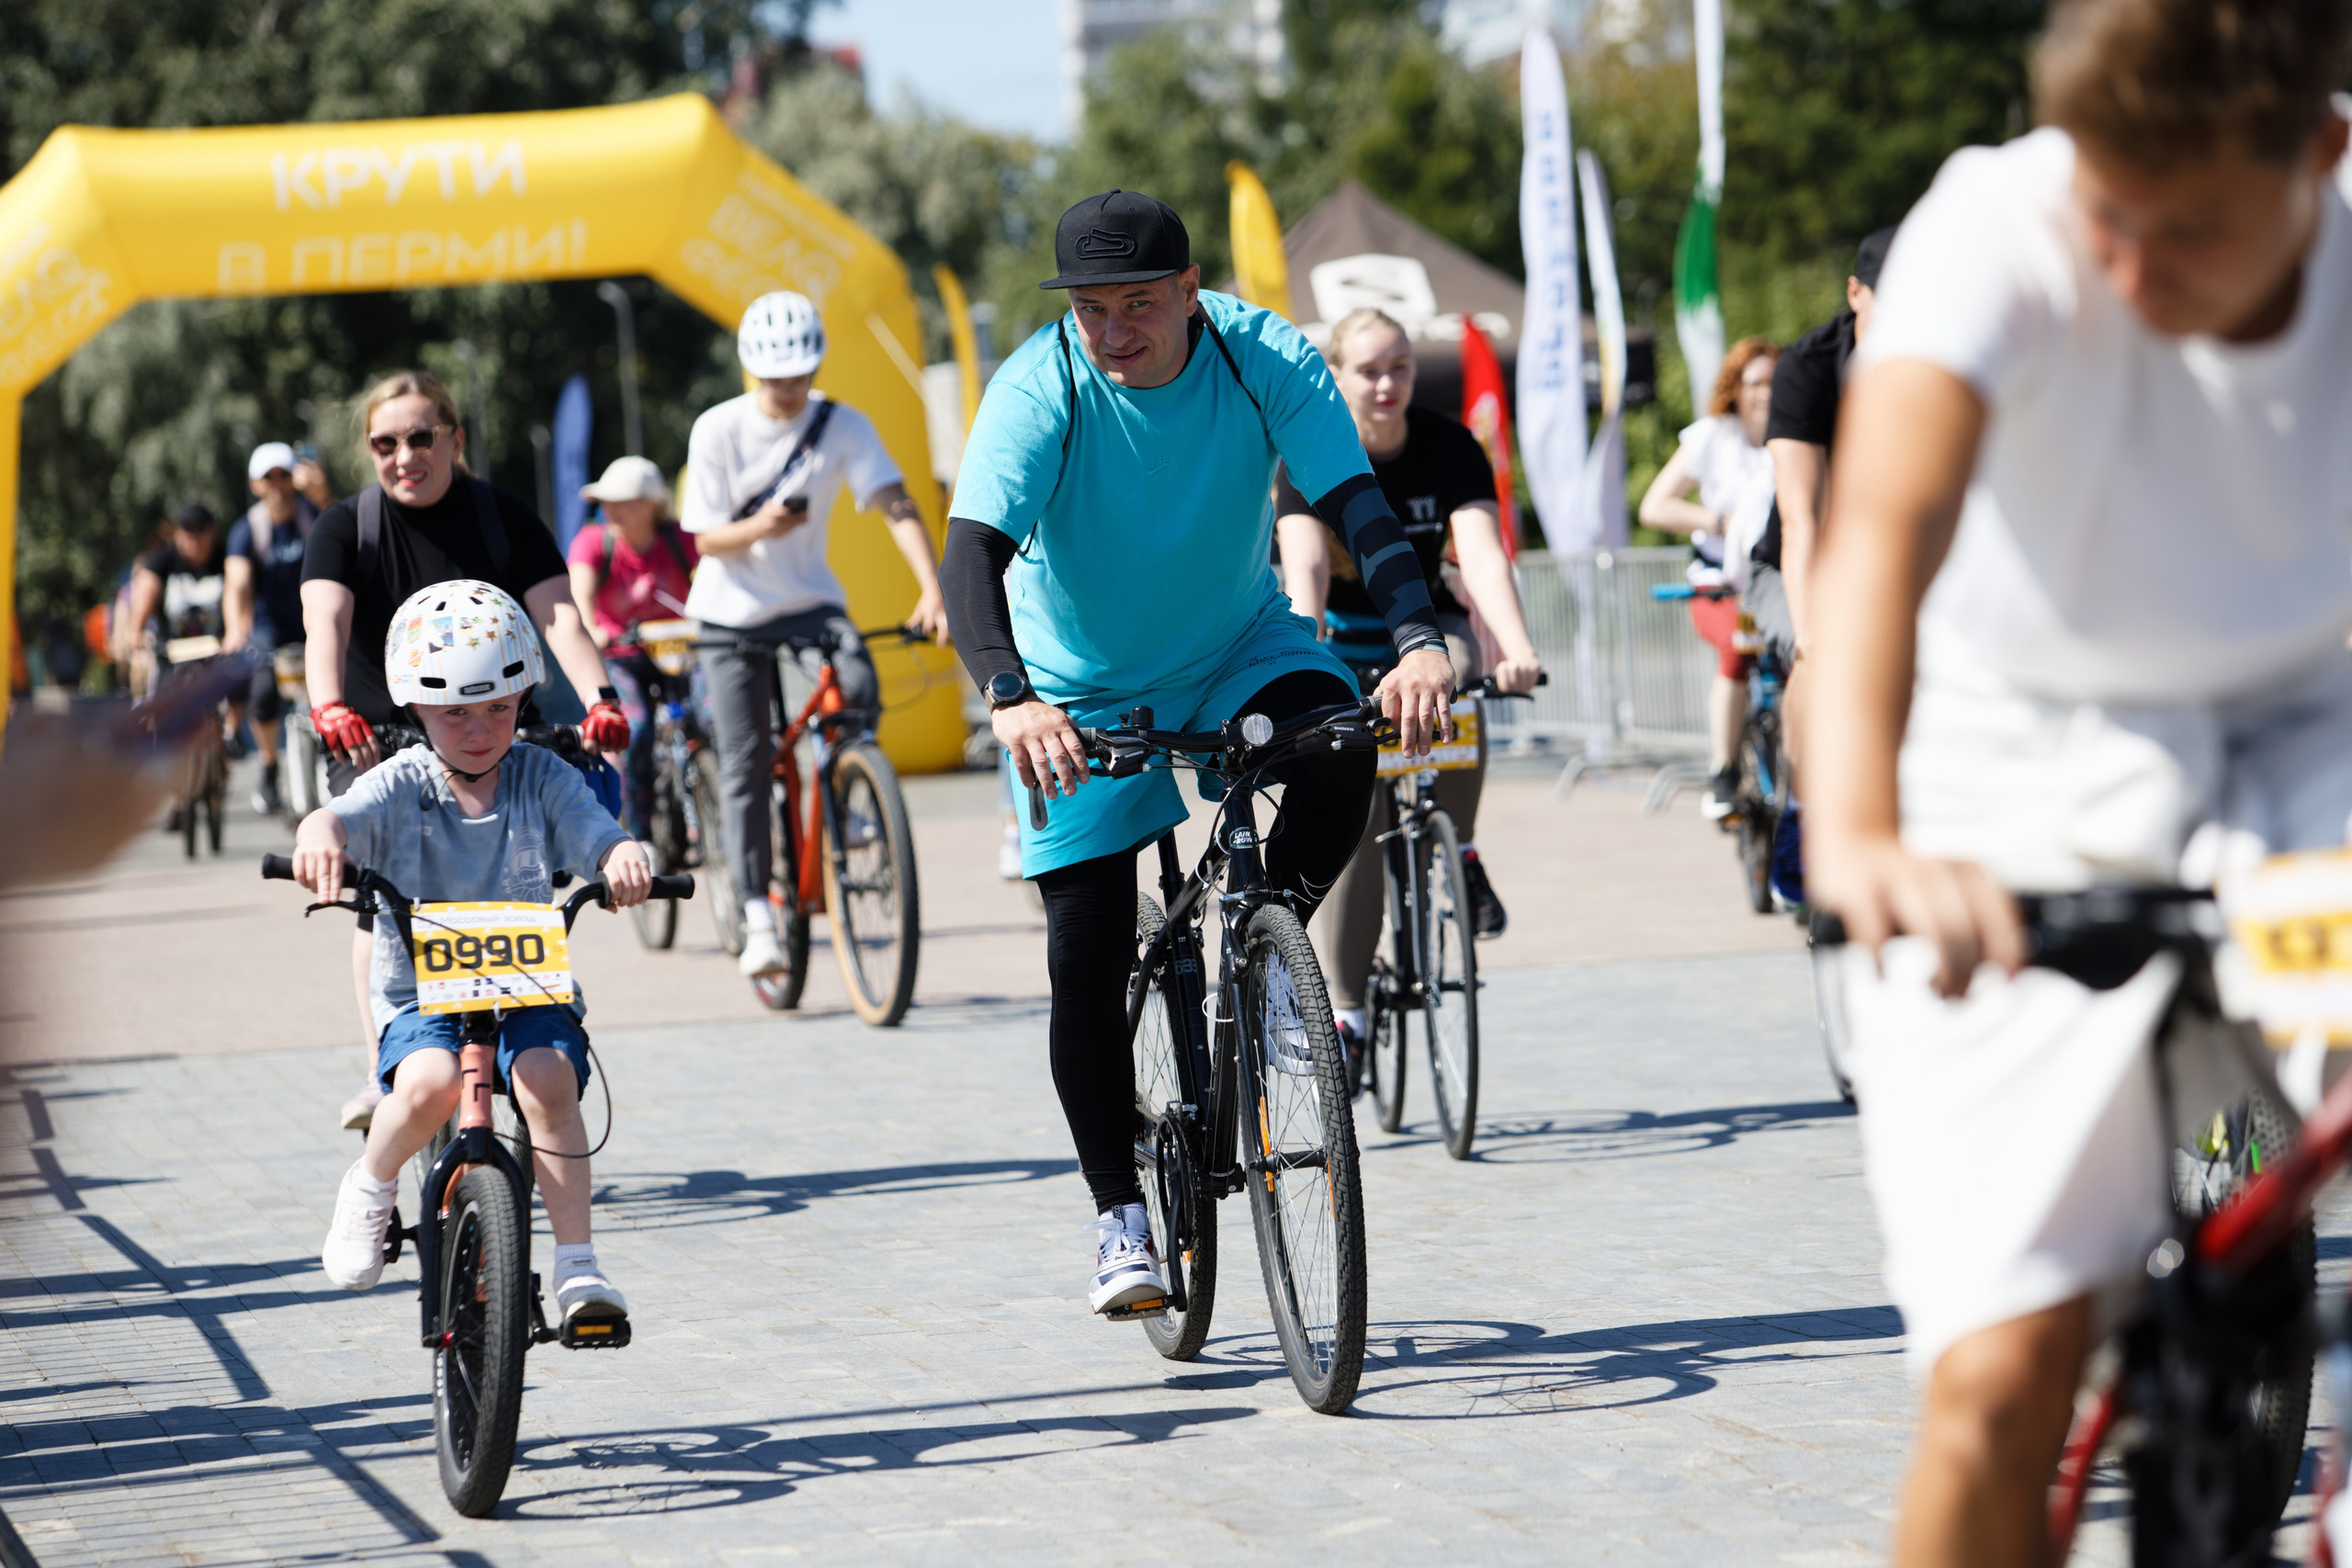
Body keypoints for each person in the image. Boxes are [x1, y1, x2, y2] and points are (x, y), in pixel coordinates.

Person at [1801, 0, 2352, 1560]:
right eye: (2104, 210)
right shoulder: (1993, 223)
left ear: (2321, 155)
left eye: (2181, 230)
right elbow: (1880, 540)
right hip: (2010, 759)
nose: (2122, 267)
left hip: (2310, 734)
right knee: (2003, 1372)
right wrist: (1859, 836)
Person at [939, 189, 1457, 1315]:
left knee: (1337, 744)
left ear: (1188, 291)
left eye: (1137, 304)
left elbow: (1358, 506)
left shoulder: (1260, 352)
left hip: (1234, 644)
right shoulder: (1042, 387)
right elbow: (970, 553)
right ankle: (1119, 1216)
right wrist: (1012, 696)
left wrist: (1418, 639)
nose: (1113, 330)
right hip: (1073, 685)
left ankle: (1266, 947)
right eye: (1089, 308)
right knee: (1083, 943)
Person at [295, 581, 650, 1333]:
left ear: (523, 698)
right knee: (424, 1086)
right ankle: (370, 1183)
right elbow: (340, 815)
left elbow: (591, 826)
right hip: (425, 994)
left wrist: (618, 854)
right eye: (454, 710)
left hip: (526, 983)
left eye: (498, 706)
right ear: (417, 710)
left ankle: (577, 1263)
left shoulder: (541, 776)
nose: (480, 728)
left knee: (547, 1078)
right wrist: (320, 835)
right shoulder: (400, 783)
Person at [301, 370, 628, 1134]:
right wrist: (329, 707)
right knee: (375, 897)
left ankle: (523, 1047)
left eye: (421, 437)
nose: (404, 456)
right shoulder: (345, 529)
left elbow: (561, 620)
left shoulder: (501, 518)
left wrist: (601, 699)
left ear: (454, 438)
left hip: (492, 723)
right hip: (375, 730)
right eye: (386, 443)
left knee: (526, 866)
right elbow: (327, 627)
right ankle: (389, 1065)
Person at [1272, 306, 1544, 1070]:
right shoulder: (1308, 452)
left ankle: (1461, 850)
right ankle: (1352, 1013)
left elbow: (1483, 558)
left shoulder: (1449, 445)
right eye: (1368, 370)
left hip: (1422, 627)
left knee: (1460, 687)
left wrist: (1516, 648)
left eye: (1399, 367)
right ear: (1337, 375)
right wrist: (1300, 647)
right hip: (1344, 640)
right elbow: (1306, 573)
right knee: (1358, 820)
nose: (1386, 383)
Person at [679, 289, 949, 981]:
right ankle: (758, 913)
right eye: (775, 379)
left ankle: (851, 793)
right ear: (752, 372)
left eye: (799, 375)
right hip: (729, 611)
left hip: (809, 602)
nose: (789, 390)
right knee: (747, 761)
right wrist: (763, 527)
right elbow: (706, 537)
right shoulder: (717, 428)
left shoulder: (842, 424)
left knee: (857, 677)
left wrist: (932, 584)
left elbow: (895, 501)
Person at [1749, 230, 1894, 905]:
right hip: (1791, 560)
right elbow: (1799, 517)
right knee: (1820, 655)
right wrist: (1811, 628)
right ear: (1854, 292)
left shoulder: (1940, 360)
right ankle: (1802, 816)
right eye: (1886, 302)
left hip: (1885, 559)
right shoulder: (1809, 366)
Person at [1636, 337, 1780, 818]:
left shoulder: (1794, 433)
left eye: (1775, 381)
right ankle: (1722, 770)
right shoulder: (1712, 436)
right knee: (1738, 649)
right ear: (1735, 388)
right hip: (1717, 578)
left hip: (1777, 578)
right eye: (1757, 382)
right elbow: (1654, 506)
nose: (1767, 392)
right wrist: (1718, 522)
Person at [566, 456, 700, 841]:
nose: (609, 509)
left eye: (622, 501)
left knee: (713, 721)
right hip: (622, 658)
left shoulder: (680, 538)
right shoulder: (594, 541)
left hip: (681, 655)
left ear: (652, 503)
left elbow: (715, 581)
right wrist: (592, 628)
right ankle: (640, 836)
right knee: (635, 729)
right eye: (606, 501)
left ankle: (709, 806)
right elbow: (579, 594)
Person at [224, 442, 335, 815]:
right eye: (268, 478)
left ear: (295, 479)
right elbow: (236, 585)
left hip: (312, 621)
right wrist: (235, 631)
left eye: (284, 475)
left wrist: (322, 495)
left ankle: (335, 759)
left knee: (332, 686)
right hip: (268, 627)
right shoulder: (247, 530)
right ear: (255, 484)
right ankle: (269, 765)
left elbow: (343, 538)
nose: (277, 484)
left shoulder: (311, 517)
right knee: (263, 690)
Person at [120, 502, 228, 698]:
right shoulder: (163, 559)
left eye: (200, 530)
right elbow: (146, 591)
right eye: (187, 530)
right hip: (172, 657)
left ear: (212, 532)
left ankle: (232, 729)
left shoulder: (226, 558)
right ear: (177, 533)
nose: (193, 538)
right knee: (163, 711)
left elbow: (242, 590)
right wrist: (136, 632)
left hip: (218, 657)